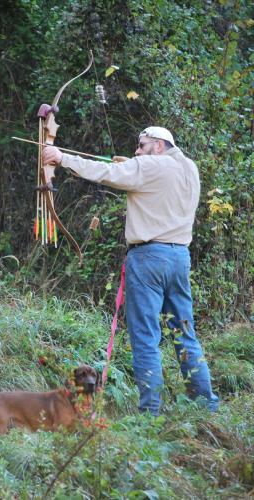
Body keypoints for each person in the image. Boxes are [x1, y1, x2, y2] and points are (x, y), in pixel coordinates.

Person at [43, 126, 219, 416]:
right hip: (179, 259)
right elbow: (153, 180)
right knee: (185, 334)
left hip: (149, 259)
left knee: (145, 338)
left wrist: (62, 157)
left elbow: (104, 173)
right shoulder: (189, 167)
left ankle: (149, 415)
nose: (137, 151)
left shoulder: (150, 165)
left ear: (159, 146)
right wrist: (135, 165)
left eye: (142, 145)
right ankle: (205, 406)